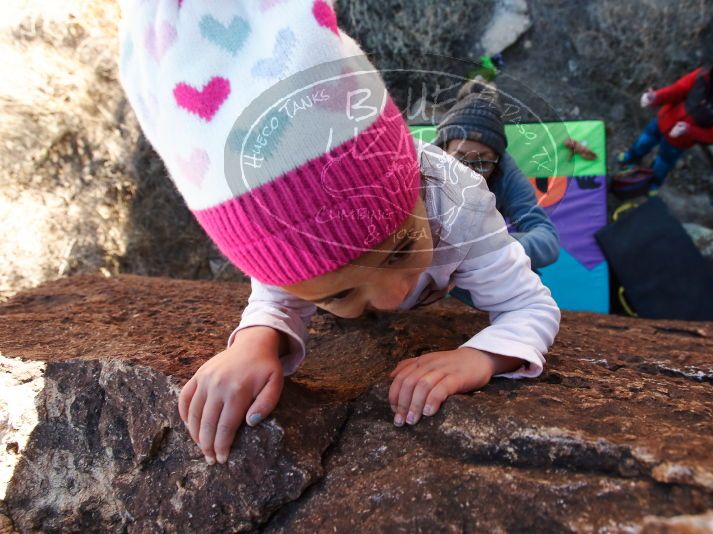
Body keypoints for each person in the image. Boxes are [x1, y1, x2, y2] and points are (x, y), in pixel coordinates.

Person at [118, 0, 560, 466]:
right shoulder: (282, 243)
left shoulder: (458, 201)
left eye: (401, 247)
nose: (392, 298)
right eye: (338, 292)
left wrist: (481, 358)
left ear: (413, 181)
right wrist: (256, 342)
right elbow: (275, 296)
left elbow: (528, 303)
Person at [435, 81, 560, 271]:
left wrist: (498, 249)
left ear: (497, 160)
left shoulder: (505, 173)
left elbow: (547, 237)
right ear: (443, 150)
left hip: (477, 267)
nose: (468, 172)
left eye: (482, 163)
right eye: (459, 159)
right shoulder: (423, 166)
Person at [618, 46, 713, 191]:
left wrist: (689, 131)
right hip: (663, 119)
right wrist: (655, 97)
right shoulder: (702, 75)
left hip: (680, 141)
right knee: (644, 141)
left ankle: (653, 183)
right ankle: (631, 157)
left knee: (663, 162)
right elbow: (678, 89)